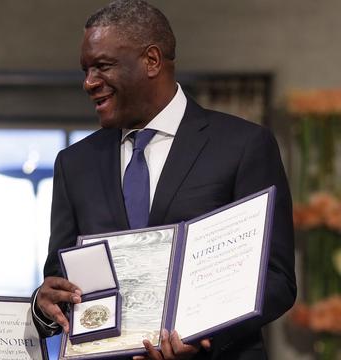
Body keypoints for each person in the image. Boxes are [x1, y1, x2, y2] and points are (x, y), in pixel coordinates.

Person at [32, 1, 296, 359]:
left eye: (102, 66)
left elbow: (276, 278)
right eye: (86, 69)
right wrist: (43, 302)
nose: (88, 82)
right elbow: (59, 278)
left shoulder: (243, 145)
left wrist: (204, 337)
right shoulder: (74, 163)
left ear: (152, 61)